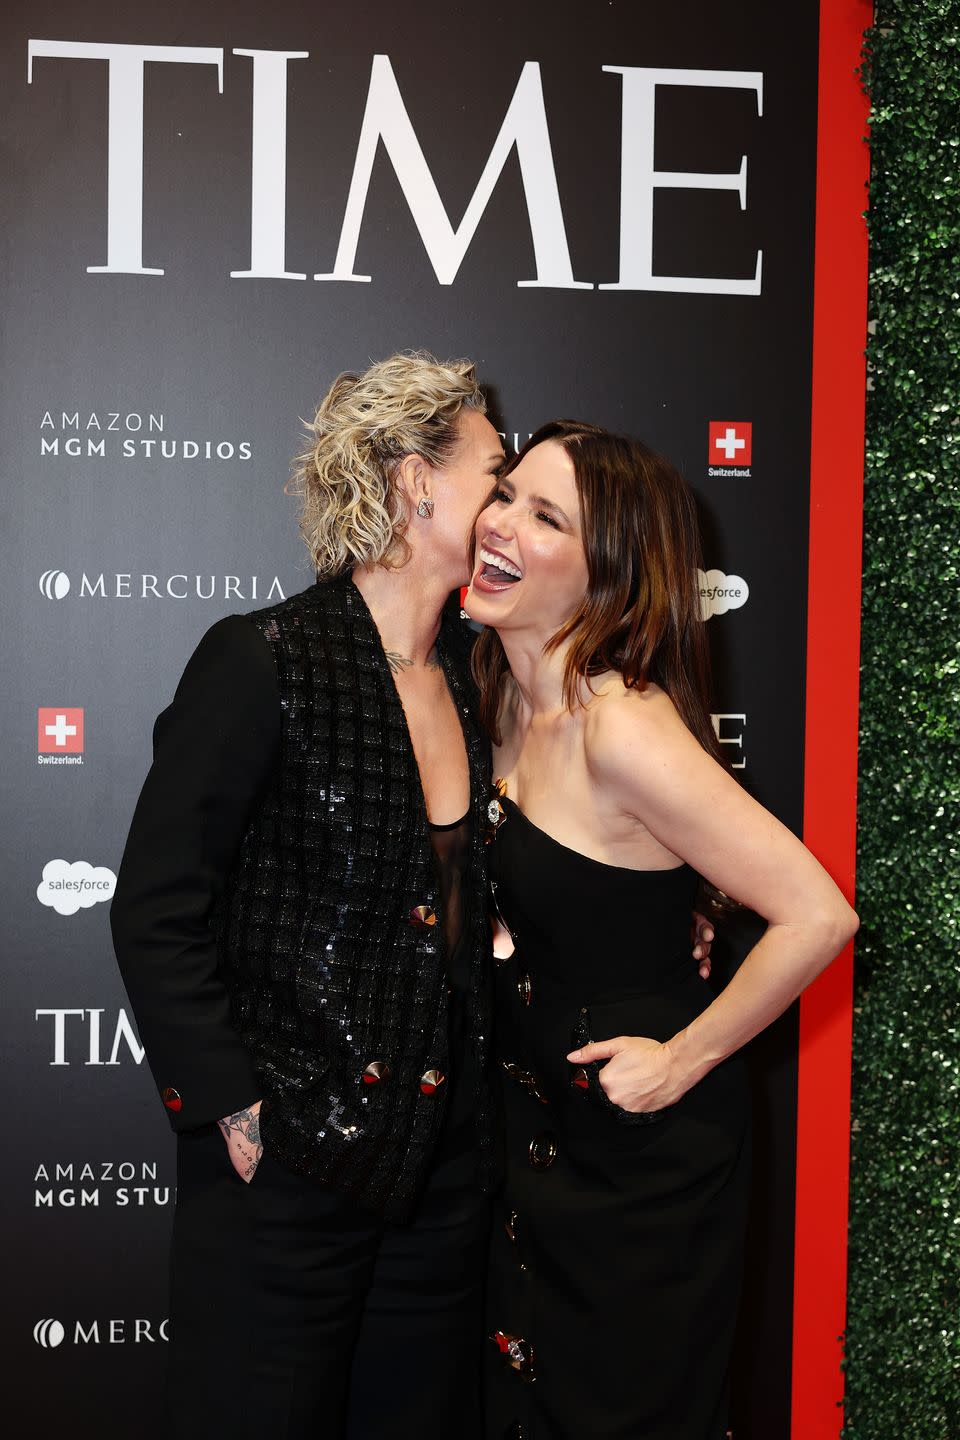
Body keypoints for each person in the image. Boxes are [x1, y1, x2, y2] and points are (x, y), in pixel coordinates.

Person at [111, 352, 507, 1439]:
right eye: (493, 473)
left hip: (441, 1181)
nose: (507, 504)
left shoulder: (484, 679)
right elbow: (156, 902)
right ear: (414, 481)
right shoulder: (265, 659)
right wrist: (229, 1104)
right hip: (286, 1171)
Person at [464, 420, 859, 1440]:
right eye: (505, 492)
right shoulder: (498, 692)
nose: (498, 523)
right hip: (530, 1138)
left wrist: (684, 1059)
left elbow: (818, 914)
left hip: (640, 1168)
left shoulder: (622, 727)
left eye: (544, 516)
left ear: (608, 574)